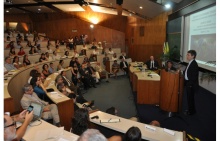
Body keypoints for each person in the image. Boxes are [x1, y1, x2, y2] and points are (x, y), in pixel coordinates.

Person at [183, 50, 199, 115]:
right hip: (188, 83)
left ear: (193, 56)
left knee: (190, 98)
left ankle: (191, 111)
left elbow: (194, 77)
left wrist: (189, 85)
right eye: (187, 54)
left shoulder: (194, 64)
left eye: (188, 55)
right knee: (189, 98)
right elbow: (187, 72)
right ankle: (191, 110)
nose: (187, 56)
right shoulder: (190, 62)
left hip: (191, 85)